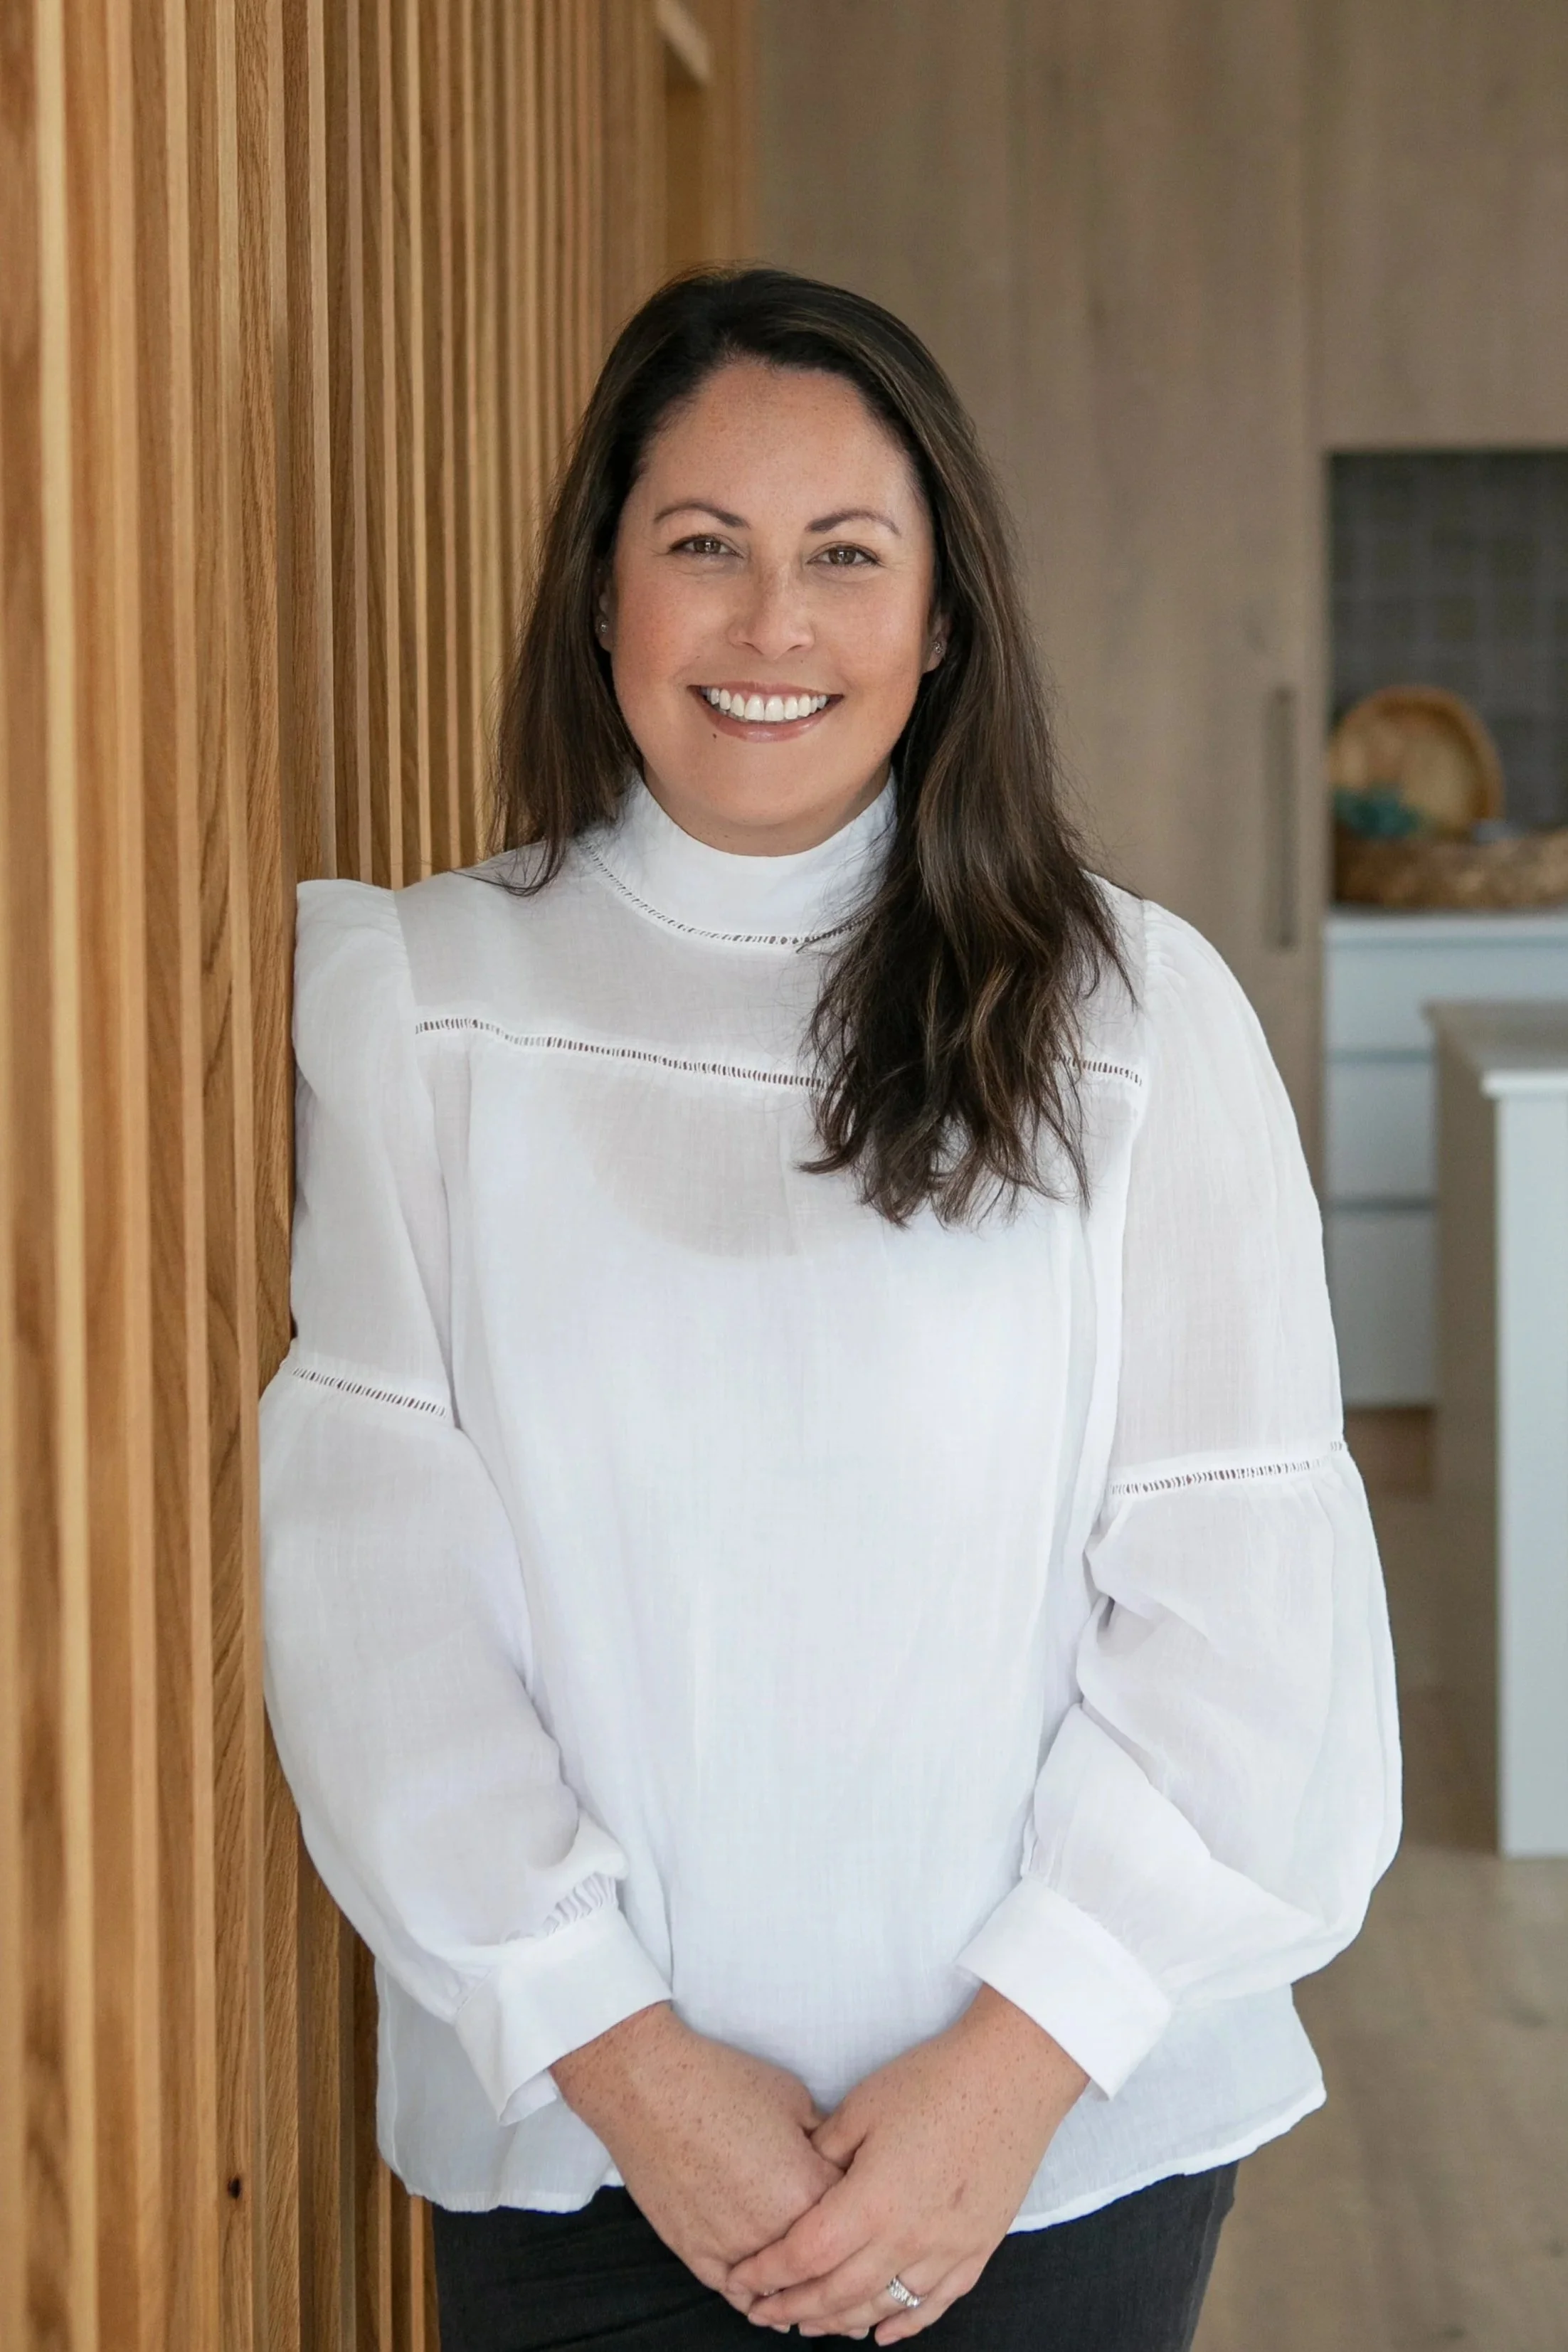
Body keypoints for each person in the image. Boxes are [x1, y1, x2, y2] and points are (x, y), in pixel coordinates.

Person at [260, 267, 1400, 2351]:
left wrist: (1007, 2076)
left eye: (846, 556)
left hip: (1054, 2148)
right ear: (603, 592)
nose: (771, 623)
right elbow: (371, 1600)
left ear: (940, 619)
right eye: (704, 546)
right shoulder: (416, 1004)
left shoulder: (1135, 1017)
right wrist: (623, 2060)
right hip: (587, 2145)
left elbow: (1254, 1612)